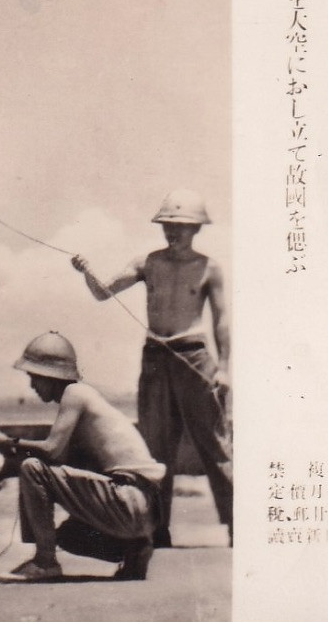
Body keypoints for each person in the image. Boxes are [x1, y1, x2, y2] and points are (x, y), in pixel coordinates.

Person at [70, 189, 232, 546]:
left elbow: (221, 320)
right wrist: (86, 270)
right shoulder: (148, 263)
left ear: (196, 229)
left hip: (194, 358)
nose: (173, 232)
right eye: (168, 225)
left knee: (215, 444)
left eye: (181, 226)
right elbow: (103, 291)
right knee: (156, 449)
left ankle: (238, 526)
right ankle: (157, 530)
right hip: (156, 358)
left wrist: (224, 369)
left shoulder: (209, 268)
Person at [0, 332, 165, 581]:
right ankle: (134, 550)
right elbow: (61, 463)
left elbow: (51, 451)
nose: (32, 386)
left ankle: (44, 562)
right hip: (146, 508)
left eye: (34, 377)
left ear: (51, 375)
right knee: (67, 536)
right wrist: (5, 467)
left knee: (31, 467)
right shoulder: (85, 397)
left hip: (127, 499)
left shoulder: (75, 393)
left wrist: (10, 443)